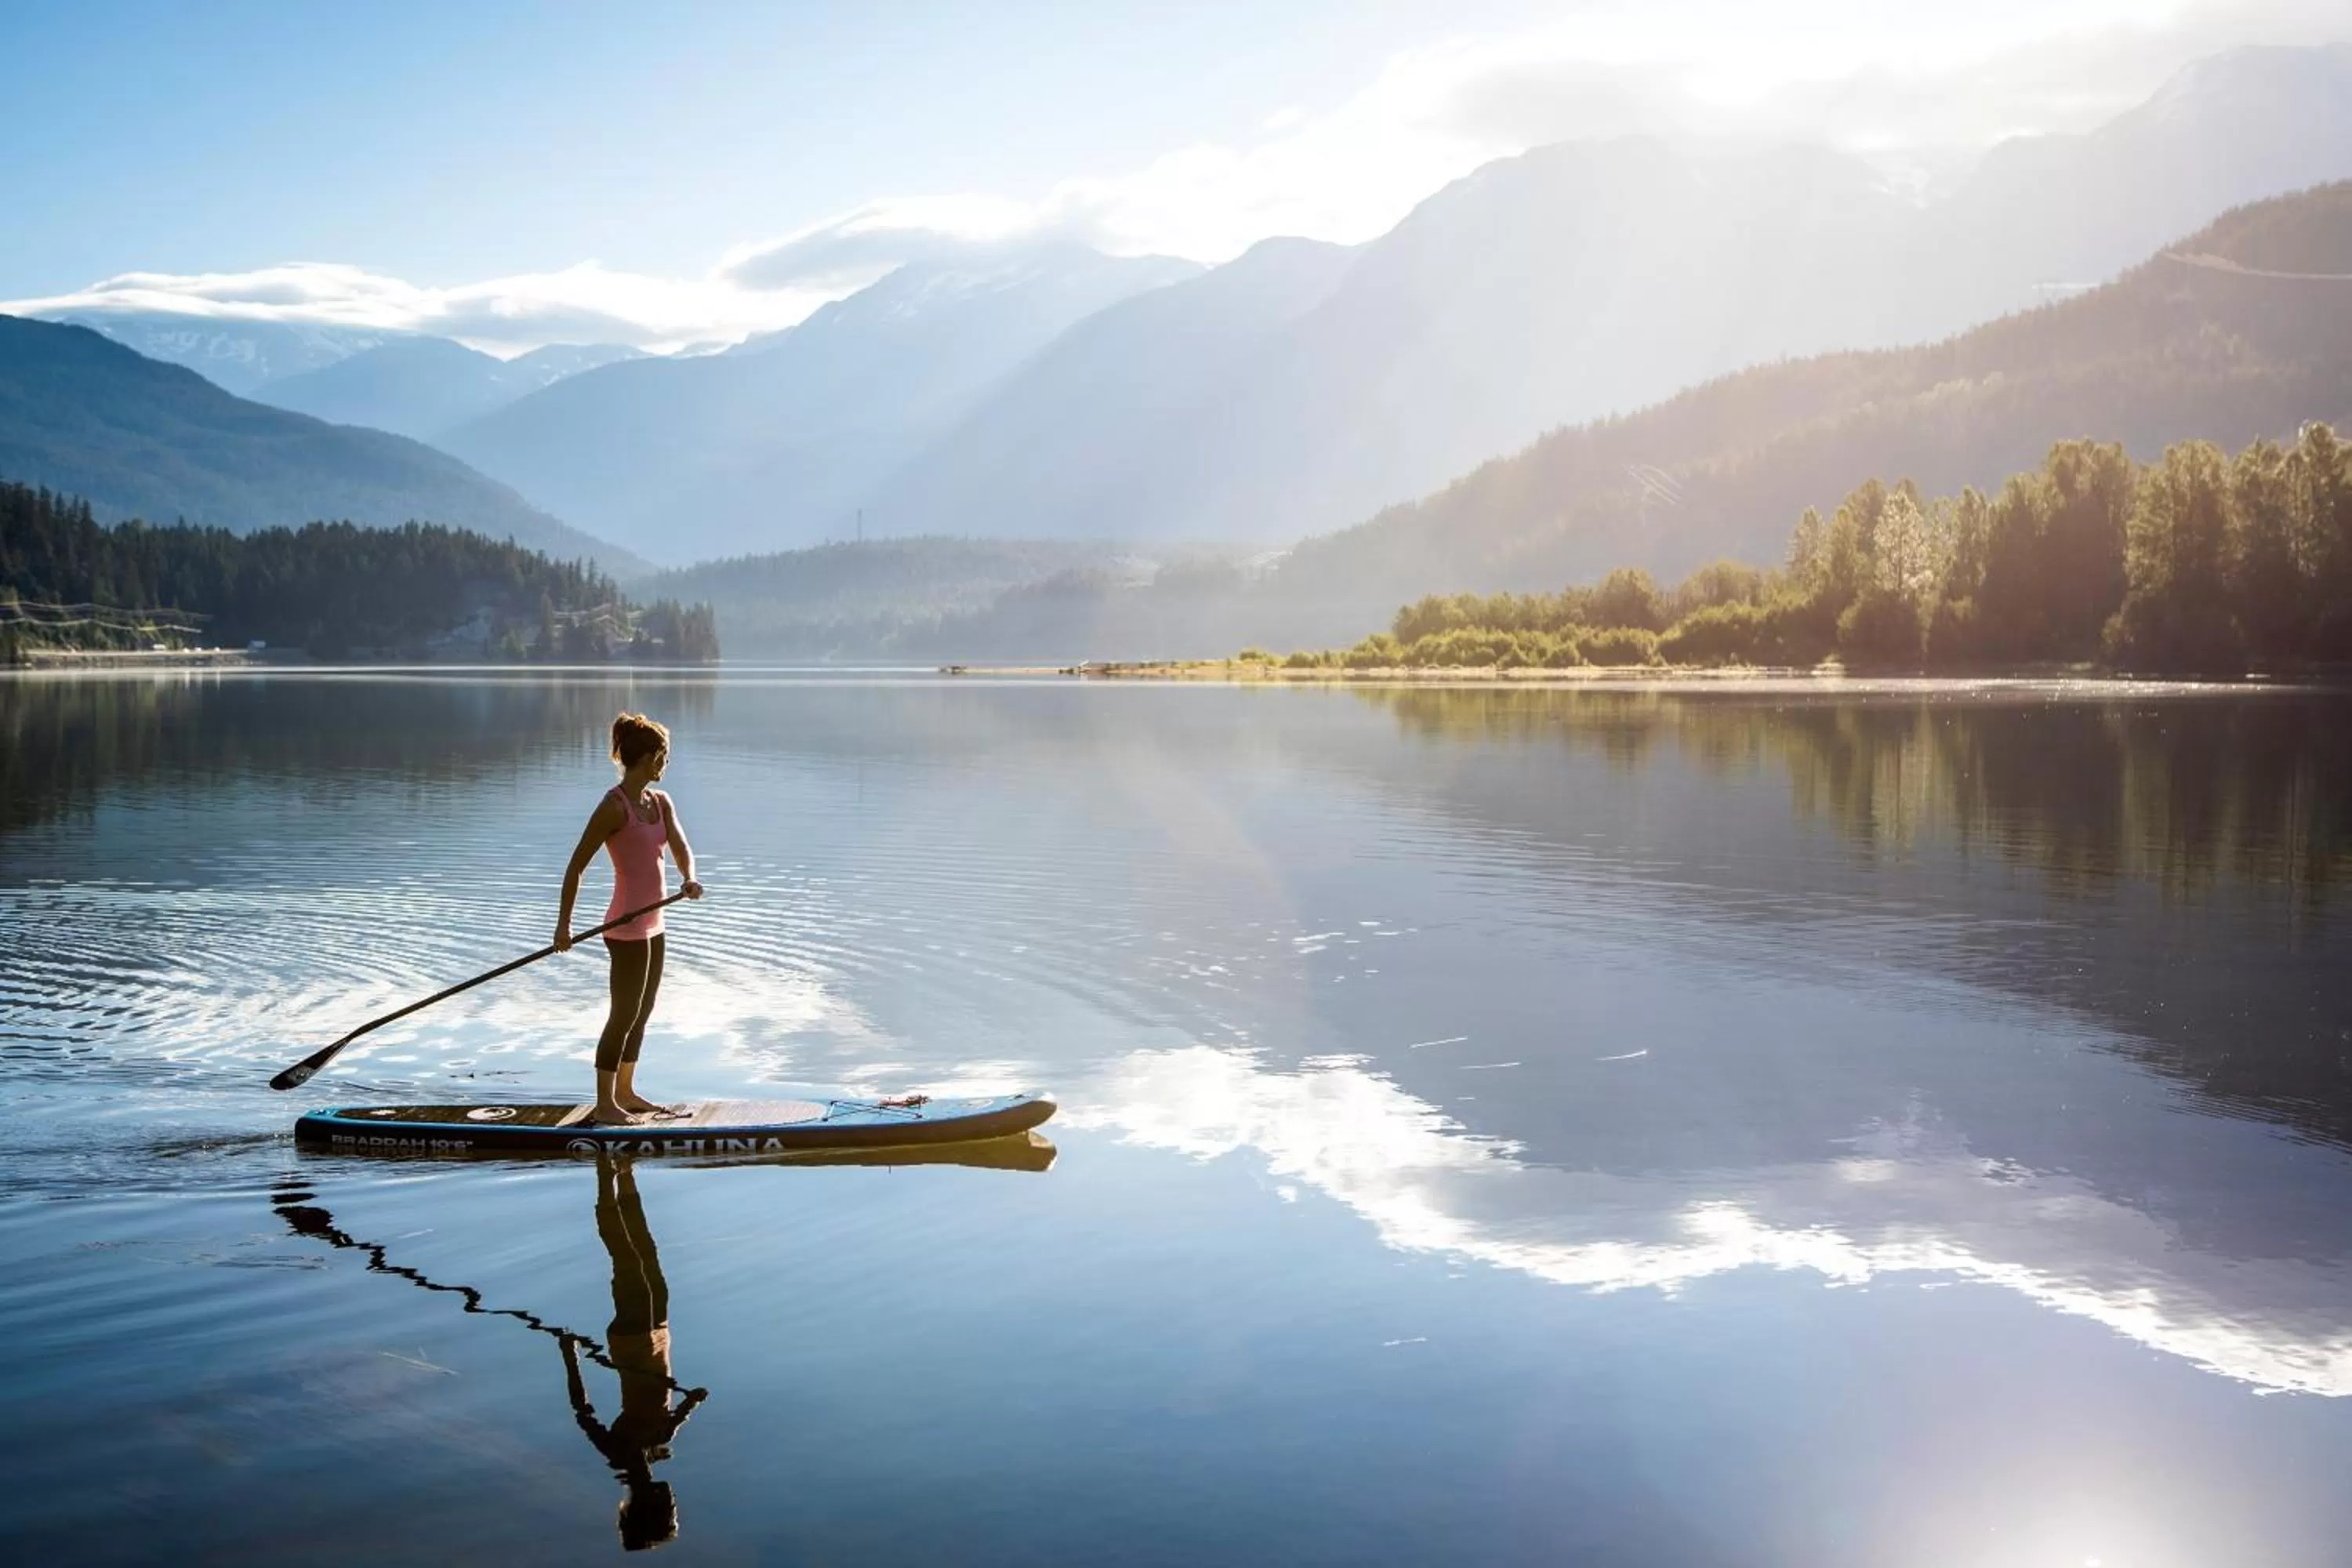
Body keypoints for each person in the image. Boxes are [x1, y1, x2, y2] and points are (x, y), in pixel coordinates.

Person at [557, 712, 703, 1125]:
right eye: (663, 757)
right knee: (622, 1014)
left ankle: (625, 1092)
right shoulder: (613, 807)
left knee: (643, 1011)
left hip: (655, 925)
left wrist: (688, 878)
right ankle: (605, 1104)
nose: (666, 764)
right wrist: (563, 926)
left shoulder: (660, 803)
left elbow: (680, 846)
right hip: (624, 927)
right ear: (646, 758)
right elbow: (575, 867)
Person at [562, 1154, 699, 1552]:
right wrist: (693, 1402)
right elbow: (675, 1417)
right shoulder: (655, 1452)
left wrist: (569, 1355)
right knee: (648, 1256)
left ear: (649, 1506)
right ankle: (627, 1173)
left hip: (632, 1342)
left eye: (669, 1509)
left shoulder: (622, 1457)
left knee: (627, 1259)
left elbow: (583, 1413)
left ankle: (606, 1179)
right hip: (658, 1339)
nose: (674, 1501)